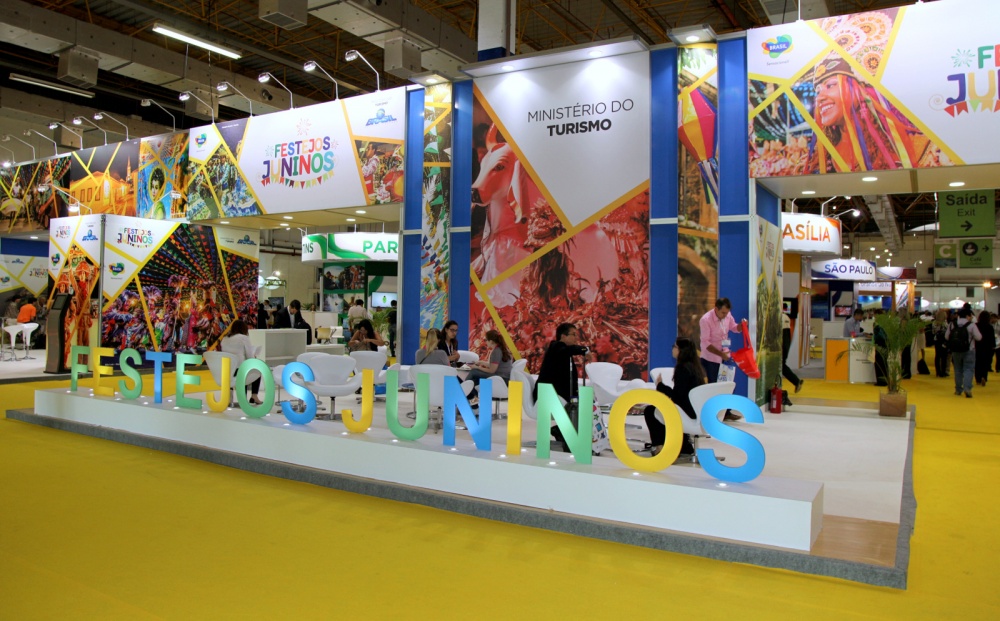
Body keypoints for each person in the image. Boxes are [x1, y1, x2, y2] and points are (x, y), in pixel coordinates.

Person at [808, 54, 926, 174]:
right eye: (818, 91)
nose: (819, 98)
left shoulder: (915, 146)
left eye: (830, 85)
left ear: (860, 89)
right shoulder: (818, 161)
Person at [643, 338, 704, 457]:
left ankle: (660, 446)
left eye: (674, 346)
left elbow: (677, 396)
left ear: (681, 350)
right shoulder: (695, 368)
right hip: (695, 410)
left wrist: (660, 386)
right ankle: (683, 445)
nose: (672, 349)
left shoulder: (682, 368)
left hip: (686, 411)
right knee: (660, 409)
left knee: (650, 411)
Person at [466, 330, 514, 403]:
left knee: (473, 372)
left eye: (486, 340)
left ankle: (464, 393)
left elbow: (492, 370)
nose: (485, 342)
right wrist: (481, 362)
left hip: (500, 379)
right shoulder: (502, 349)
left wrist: (477, 367)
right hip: (504, 378)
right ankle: (472, 398)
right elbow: (495, 365)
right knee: (475, 379)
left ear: (491, 341)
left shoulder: (496, 351)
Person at [220, 319, 262, 404]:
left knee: (242, 368)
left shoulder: (224, 339)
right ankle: (254, 396)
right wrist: (254, 356)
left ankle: (229, 396)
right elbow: (250, 357)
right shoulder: (244, 338)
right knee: (257, 369)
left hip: (226, 370)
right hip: (240, 370)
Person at [945, 307, 982, 398]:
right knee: (968, 369)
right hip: (969, 350)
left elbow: (946, 337)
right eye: (971, 316)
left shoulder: (952, 324)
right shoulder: (971, 325)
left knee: (958, 369)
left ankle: (958, 389)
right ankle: (967, 388)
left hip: (956, 350)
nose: (971, 317)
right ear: (967, 316)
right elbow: (979, 337)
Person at [781, 311, 804, 393]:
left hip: (782, 346)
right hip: (785, 345)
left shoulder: (779, 317)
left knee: (781, 366)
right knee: (781, 366)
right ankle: (796, 381)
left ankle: (796, 381)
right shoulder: (786, 317)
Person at [974, 310, 994, 387]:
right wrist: (993, 346)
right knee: (985, 364)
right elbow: (992, 339)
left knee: (977, 363)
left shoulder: (976, 325)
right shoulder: (990, 327)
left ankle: (978, 379)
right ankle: (984, 377)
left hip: (977, 347)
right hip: (987, 348)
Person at [931, 309, 950, 378]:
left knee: (937, 355)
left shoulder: (934, 323)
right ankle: (943, 371)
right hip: (943, 340)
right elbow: (948, 332)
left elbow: (933, 332)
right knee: (944, 356)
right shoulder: (945, 323)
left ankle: (938, 371)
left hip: (936, 340)